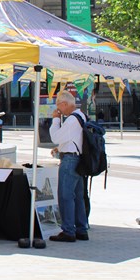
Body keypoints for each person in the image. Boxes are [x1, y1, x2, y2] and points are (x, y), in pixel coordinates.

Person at [48, 90, 90, 242]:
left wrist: (55, 120)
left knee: (65, 196)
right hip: (79, 159)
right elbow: (74, 139)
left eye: (59, 106)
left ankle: (68, 230)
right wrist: (60, 148)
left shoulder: (71, 120)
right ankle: (81, 228)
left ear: (65, 104)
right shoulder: (82, 116)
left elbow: (55, 137)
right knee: (78, 196)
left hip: (70, 160)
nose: (58, 109)